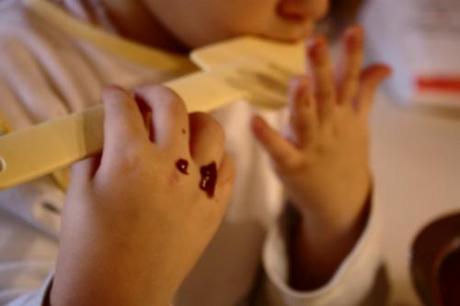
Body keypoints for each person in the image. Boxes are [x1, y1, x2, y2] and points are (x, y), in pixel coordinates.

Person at [0, 0, 390, 305]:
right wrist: (110, 289)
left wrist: (335, 218)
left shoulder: (278, 67)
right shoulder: (17, 80)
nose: (317, 8)